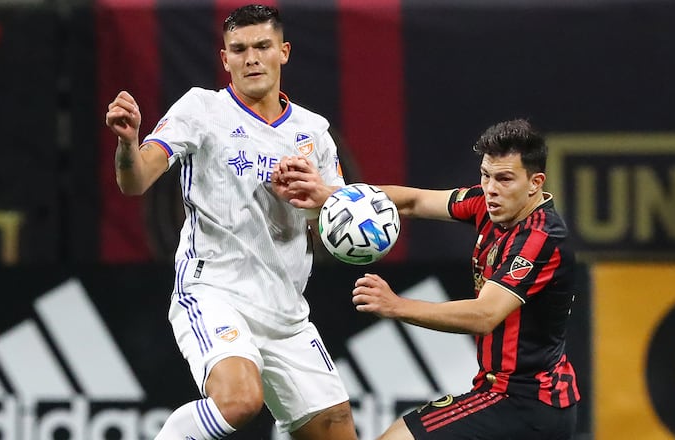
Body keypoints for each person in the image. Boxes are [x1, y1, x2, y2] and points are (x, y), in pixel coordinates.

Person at [105, 5, 356, 440]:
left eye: (262, 46)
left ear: (284, 52)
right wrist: (128, 145)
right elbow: (136, 181)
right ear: (225, 58)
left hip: (286, 312)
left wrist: (315, 196)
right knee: (239, 400)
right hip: (214, 292)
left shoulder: (314, 131)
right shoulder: (201, 109)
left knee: (335, 429)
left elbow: (336, 228)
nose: (251, 58)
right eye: (239, 49)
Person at [273, 118, 580, 439]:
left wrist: (396, 306)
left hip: (525, 403)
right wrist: (331, 196)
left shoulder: (539, 238)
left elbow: (484, 315)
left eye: (504, 179)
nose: (491, 189)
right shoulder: (487, 204)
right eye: (486, 175)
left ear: (535, 183)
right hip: (510, 396)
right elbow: (413, 201)